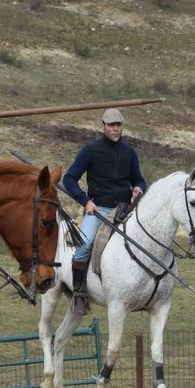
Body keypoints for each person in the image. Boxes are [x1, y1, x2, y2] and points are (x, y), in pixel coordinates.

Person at [60, 108, 147, 312]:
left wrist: (139, 188)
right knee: (85, 245)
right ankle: (80, 293)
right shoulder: (90, 151)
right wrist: (85, 201)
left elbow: (139, 179)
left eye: (119, 125)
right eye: (112, 125)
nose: (116, 129)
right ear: (103, 126)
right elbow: (69, 179)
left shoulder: (129, 152)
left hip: (125, 210)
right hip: (98, 210)